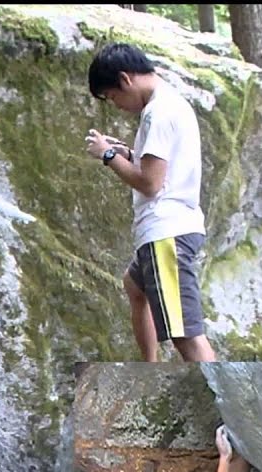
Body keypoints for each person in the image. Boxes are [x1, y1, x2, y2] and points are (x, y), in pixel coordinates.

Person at [85, 42, 216, 362]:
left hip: (165, 233)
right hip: (169, 229)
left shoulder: (159, 113)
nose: (116, 105)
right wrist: (128, 155)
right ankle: (150, 367)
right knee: (134, 285)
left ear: (126, 79)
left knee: (186, 336)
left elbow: (150, 183)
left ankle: (225, 409)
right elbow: (158, 167)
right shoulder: (168, 104)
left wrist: (107, 155)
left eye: (113, 97)